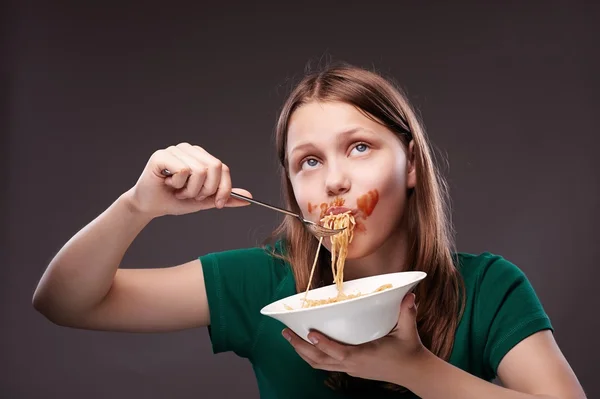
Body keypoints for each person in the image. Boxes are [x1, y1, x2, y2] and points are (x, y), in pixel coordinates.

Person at [32, 62, 586, 399]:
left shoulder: (488, 287)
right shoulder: (262, 282)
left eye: (360, 147)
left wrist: (415, 369)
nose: (336, 182)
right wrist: (138, 206)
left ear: (411, 165)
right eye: (309, 162)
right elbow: (65, 302)